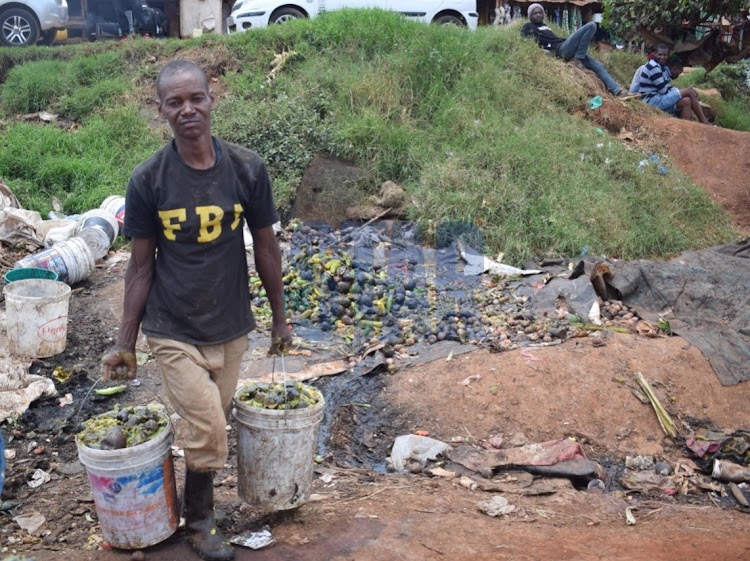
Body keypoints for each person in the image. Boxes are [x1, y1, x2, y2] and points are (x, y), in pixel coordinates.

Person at [100, 59, 292, 561]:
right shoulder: (148, 181)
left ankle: (186, 505)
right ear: (161, 111)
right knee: (209, 425)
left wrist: (279, 316)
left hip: (230, 324)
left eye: (195, 99)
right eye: (174, 102)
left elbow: (267, 248)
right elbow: (140, 268)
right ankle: (201, 522)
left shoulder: (247, 169)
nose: (187, 110)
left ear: (212, 99)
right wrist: (125, 342)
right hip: (172, 326)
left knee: (212, 419)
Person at [521, 3, 626, 97]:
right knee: (591, 25)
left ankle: (618, 92)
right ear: (530, 16)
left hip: (566, 47)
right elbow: (525, 43)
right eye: (535, 13)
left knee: (597, 65)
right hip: (561, 50)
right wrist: (544, 52)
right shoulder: (528, 26)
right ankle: (578, 59)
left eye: (540, 12)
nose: (538, 15)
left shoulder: (545, 27)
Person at [636, 44, 711, 124]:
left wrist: (681, 93)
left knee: (687, 101)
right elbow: (664, 91)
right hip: (651, 101)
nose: (662, 57)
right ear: (655, 54)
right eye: (660, 54)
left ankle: (686, 128)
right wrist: (682, 92)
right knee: (689, 91)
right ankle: (704, 121)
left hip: (657, 98)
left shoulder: (660, 67)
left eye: (665, 55)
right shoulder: (653, 67)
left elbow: (667, 87)